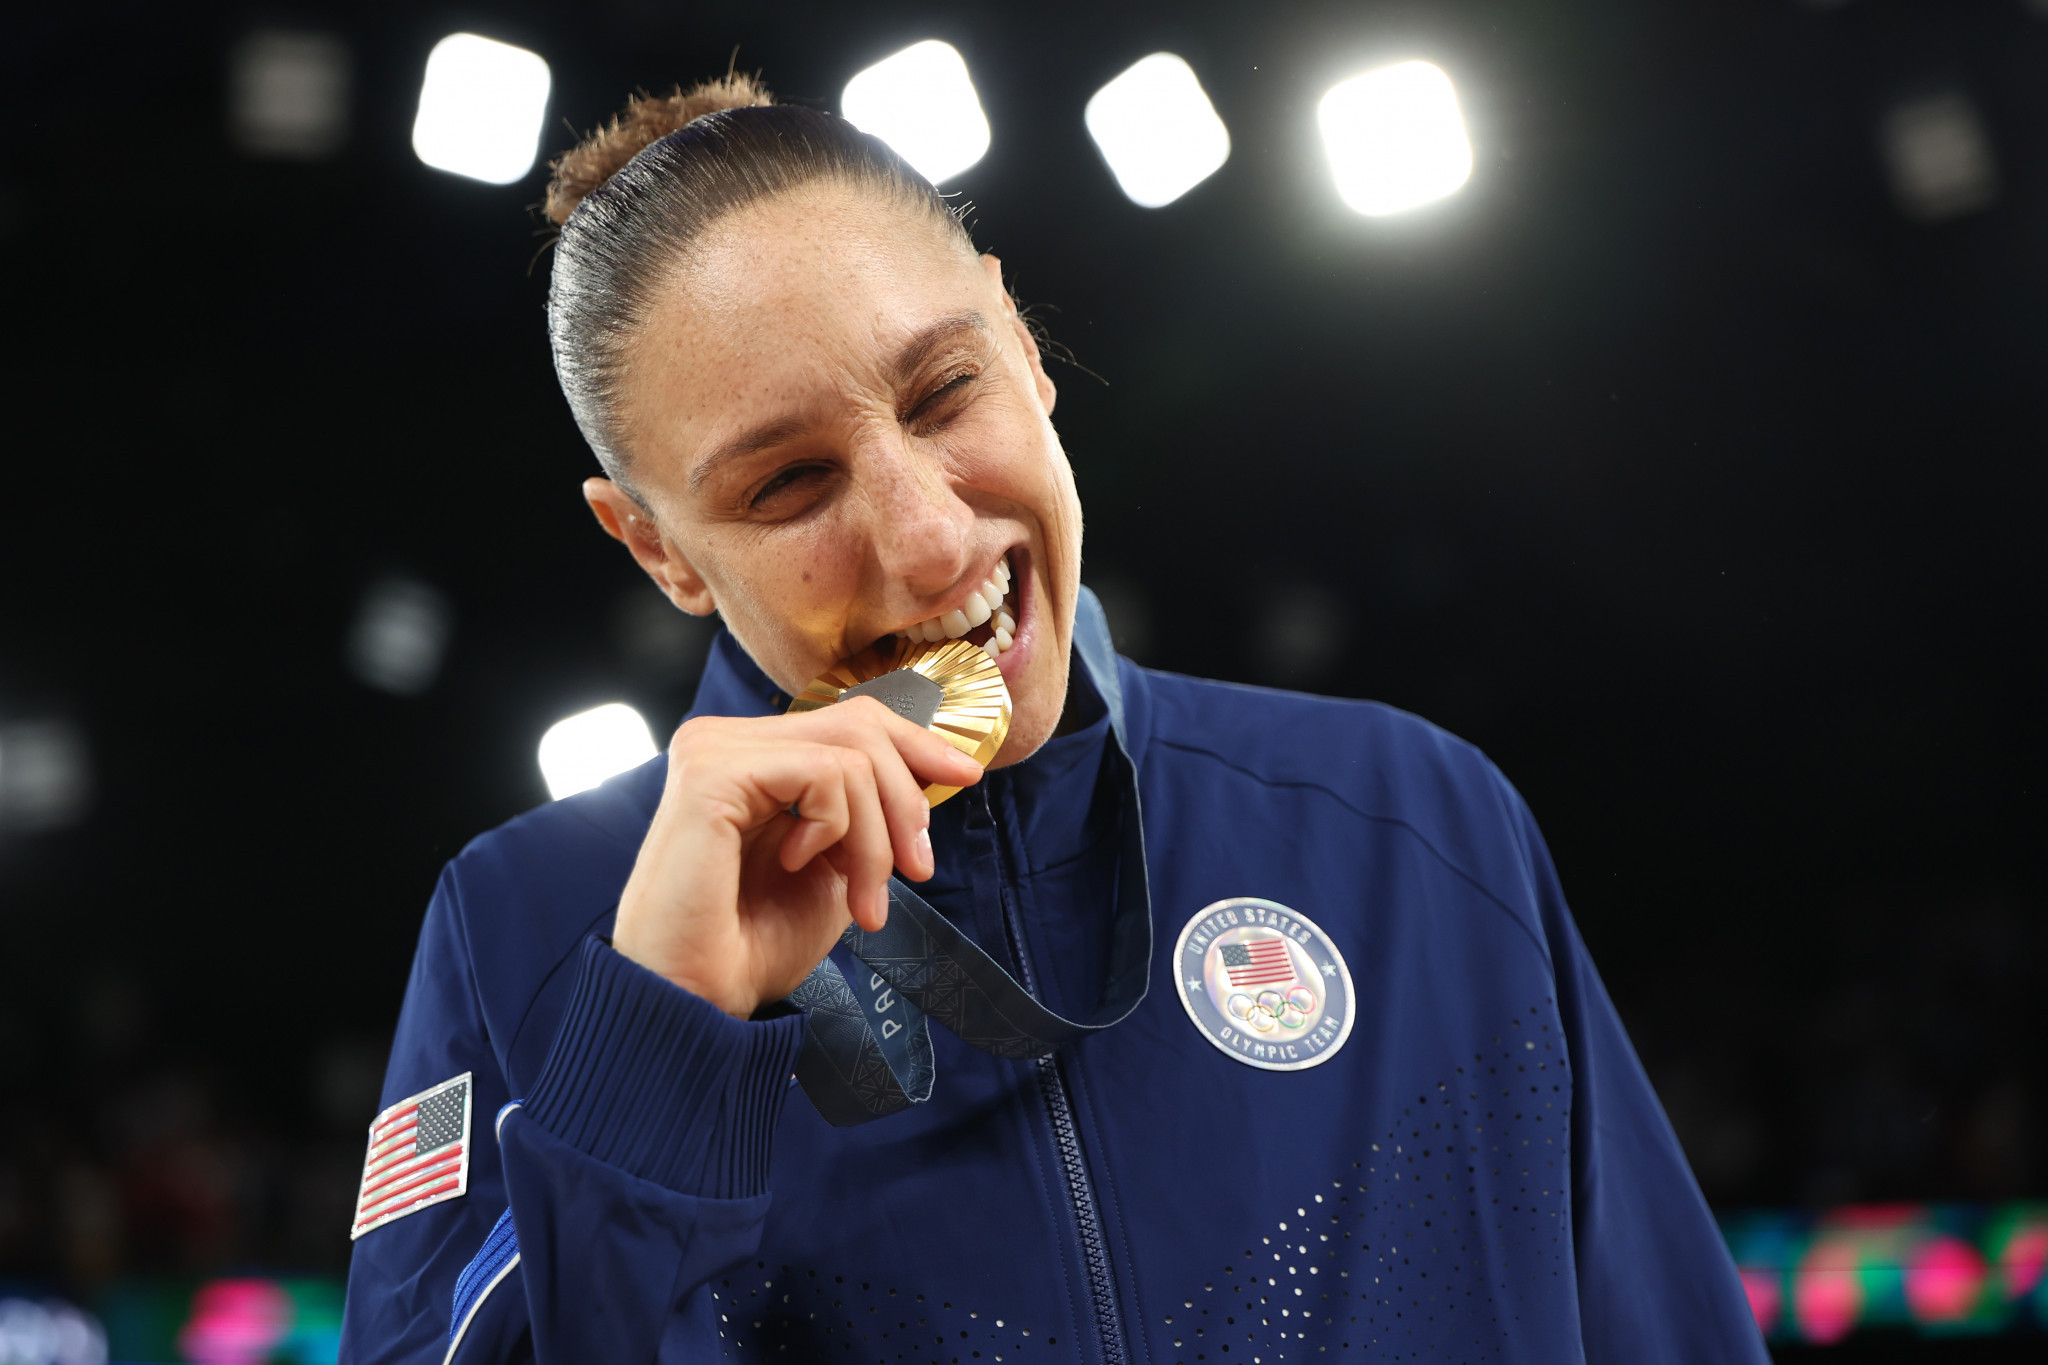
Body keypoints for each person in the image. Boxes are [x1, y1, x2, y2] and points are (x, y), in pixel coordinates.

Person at [339, 72, 1768, 1365]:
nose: (927, 538)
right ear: (655, 548)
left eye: (943, 387)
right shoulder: (527, 930)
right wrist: (649, 1067)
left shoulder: (1413, 820)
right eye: (788, 486)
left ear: (1021, 343)